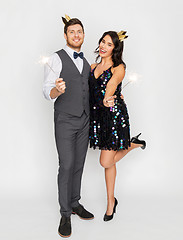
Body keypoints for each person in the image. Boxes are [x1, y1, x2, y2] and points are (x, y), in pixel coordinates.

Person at [43, 15, 94, 238]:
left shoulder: (85, 61)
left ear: (83, 35)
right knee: (66, 164)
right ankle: (65, 213)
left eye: (79, 31)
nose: (76, 35)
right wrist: (57, 91)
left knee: (79, 164)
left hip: (84, 119)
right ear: (65, 35)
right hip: (65, 118)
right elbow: (46, 91)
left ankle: (75, 203)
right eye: (72, 32)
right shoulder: (56, 58)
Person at [88, 30, 146, 222]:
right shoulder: (92, 66)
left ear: (115, 48)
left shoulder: (119, 68)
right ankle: (111, 201)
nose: (104, 46)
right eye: (102, 42)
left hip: (113, 117)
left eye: (109, 44)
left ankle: (132, 144)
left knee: (105, 162)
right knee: (109, 161)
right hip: (97, 117)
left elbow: (111, 87)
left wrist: (107, 99)